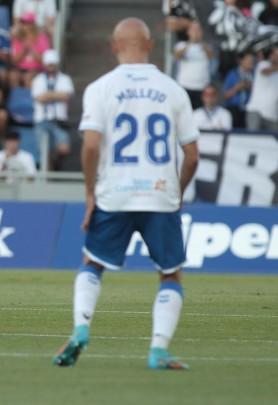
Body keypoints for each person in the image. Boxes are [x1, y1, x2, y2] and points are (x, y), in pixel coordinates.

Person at [52, 18, 199, 370]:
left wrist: (90, 195)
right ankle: (158, 351)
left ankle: (81, 329)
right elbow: (192, 154)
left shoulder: (100, 88)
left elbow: (89, 147)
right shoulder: (173, 89)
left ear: (114, 46)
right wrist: (177, 193)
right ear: (150, 45)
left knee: (92, 264)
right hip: (160, 195)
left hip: (114, 194)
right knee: (170, 274)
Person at [32, 49, 74, 171]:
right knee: (44, 152)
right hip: (41, 119)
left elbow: (66, 96)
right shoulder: (38, 79)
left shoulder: (65, 78)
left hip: (59, 119)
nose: (51, 67)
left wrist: (48, 95)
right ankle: (50, 173)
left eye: (53, 64)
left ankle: (56, 164)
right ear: (45, 65)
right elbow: (39, 98)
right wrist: (57, 94)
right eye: (49, 64)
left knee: (64, 149)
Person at [173, 22, 213, 109]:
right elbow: (177, 56)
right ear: (188, 32)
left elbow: (210, 56)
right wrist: (190, 42)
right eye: (193, 29)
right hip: (185, 86)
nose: (196, 32)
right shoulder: (181, 45)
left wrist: (199, 42)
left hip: (201, 87)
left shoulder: (206, 46)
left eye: (198, 30)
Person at [245, 47, 278, 131]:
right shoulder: (263, 64)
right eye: (275, 54)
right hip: (256, 111)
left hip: (273, 116)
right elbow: (265, 72)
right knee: (253, 140)